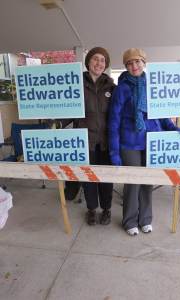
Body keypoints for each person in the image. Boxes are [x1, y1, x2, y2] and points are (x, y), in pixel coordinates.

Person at [108, 48, 180, 236]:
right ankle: (129, 221)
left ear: (144, 63)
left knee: (148, 182)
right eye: (129, 63)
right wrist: (114, 152)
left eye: (137, 62)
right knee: (133, 182)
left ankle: (145, 219)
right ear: (126, 66)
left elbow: (161, 114)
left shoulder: (153, 85)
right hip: (129, 142)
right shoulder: (122, 88)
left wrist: (175, 129)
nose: (134, 66)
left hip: (152, 141)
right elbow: (113, 121)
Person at [62, 47, 115, 225]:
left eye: (102, 60)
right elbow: (67, 110)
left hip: (106, 142)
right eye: (95, 59)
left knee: (106, 178)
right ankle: (91, 209)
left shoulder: (112, 87)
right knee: (89, 178)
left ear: (106, 65)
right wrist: (55, 122)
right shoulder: (76, 84)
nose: (99, 63)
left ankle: (106, 209)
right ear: (88, 62)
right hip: (85, 141)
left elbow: (119, 114)